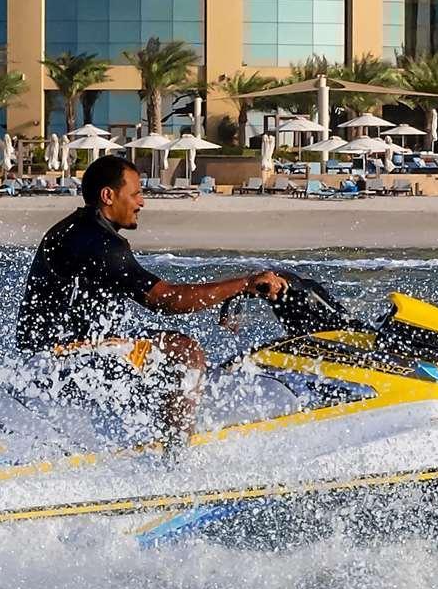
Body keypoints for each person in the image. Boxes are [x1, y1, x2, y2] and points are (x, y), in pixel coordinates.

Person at [18, 152, 288, 439]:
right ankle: (175, 456)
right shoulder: (101, 244)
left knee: (148, 347)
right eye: (135, 194)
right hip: (61, 356)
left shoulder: (76, 229)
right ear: (108, 195)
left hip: (47, 354)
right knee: (184, 350)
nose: (142, 202)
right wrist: (245, 284)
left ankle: (149, 432)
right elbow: (166, 300)